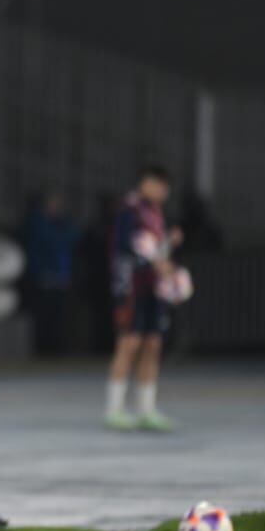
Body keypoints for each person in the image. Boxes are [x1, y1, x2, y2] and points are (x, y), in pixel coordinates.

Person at [104, 165, 183, 431]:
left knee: (153, 344)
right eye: (156, 184)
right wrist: (155, 262)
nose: (160, 191)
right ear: (144, 183)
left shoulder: (156, 214)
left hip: (154, 288)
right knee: (129, 343)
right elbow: (128, 247)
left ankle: (146, 409)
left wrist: (169, 245)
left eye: (164, 187)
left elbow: (156, 251)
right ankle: (114, 409)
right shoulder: (130, 210)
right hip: (132, 288)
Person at [20, 191, 80, 356]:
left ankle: (56, 348)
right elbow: (45, 245)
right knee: (42, 317)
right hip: (42, 278)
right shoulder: (37, 223)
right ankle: (41, 349)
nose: (57, 207)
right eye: (53, 203)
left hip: (60, 278)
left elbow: (73, 239)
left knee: (59, 318)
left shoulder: (62, 224)